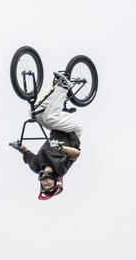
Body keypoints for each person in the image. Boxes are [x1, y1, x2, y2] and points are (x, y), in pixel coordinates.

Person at [11, 72, 83, 200]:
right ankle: (64, 86)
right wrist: (61, 148)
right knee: (49, 118)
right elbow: (76, 154)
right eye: (50, 185)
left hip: (57, 128)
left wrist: (19, 147)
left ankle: (57, 89)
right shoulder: (61, 168)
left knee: (35, 114)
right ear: (57, 182)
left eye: (44, 186)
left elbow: (26, 152)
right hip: (72, 129)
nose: (45, 183)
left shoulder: (36, 166)